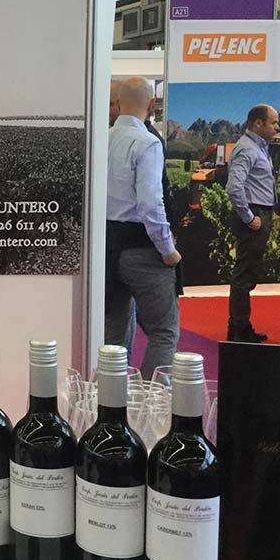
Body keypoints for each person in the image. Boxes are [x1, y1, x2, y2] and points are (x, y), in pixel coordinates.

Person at [105, 77, 181, 374]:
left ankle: (108, 400)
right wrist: (167, 249)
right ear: (151, 105)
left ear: (117, 103)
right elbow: (150, 204)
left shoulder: (103, 139)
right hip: (143, 250)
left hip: (108, 249)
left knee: (113, 338)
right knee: (164, 331)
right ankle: (153, 400)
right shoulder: (147, 142)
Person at [225, 104, 280, 342]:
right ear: (258, 123)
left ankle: (239, 327)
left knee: (248, 272)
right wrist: (249, 217)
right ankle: (239, 330)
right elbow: (234, 187)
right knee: (244, 275)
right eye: (273, 122)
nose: (277, 127)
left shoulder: (258, 147)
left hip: (258, 213)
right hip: (254, 215)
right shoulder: (247, 149)